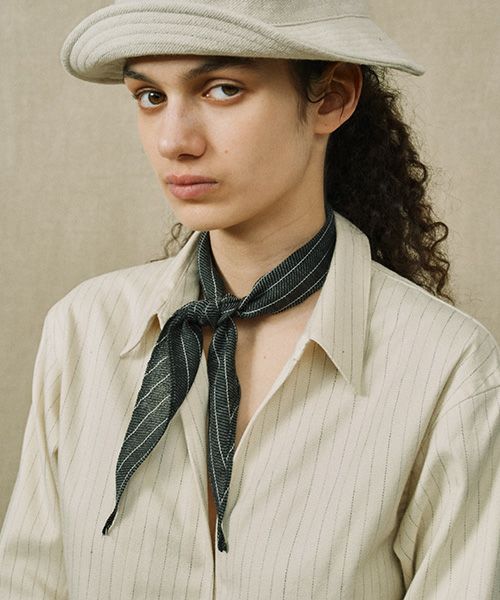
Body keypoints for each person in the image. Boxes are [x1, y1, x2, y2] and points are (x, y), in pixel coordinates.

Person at [1, 0, 499, 597]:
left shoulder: (448, 367)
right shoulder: (84, 330)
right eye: (151, 96)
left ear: (332, 98)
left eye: (223, 89)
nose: (174, 141)